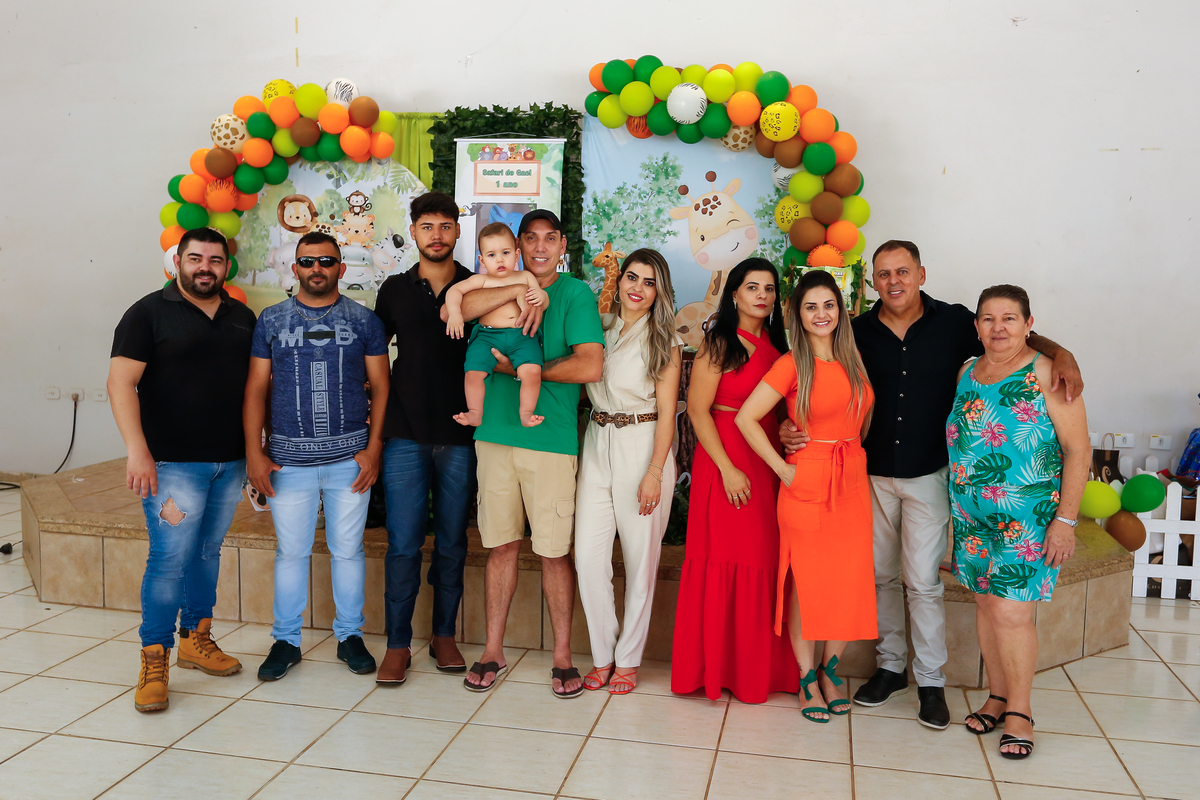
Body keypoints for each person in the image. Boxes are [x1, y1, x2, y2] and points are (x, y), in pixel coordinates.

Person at [781, 240, 1083, 730]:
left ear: (921, 274)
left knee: (922, 582)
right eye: (883, 274)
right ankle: (891, 668)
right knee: (880, 577)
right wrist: (789, 426)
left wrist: (1062, 352)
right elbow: (814, 383)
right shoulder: (854, 332)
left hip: (930, 474)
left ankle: (930, 680)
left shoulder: (956, 322)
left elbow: (1009, 333)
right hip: (869, 474)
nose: (893, 281)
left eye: (903, 271)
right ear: (872, 281)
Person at [446, 210, 603, 697]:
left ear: (562, 245)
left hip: (549, 439)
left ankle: (562, 656)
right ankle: (493, 650)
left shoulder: (574, 293)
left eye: (548, 239)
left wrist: (518, 369)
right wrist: (514, 287)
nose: (539, 248)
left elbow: (590, 366)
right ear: (516, 247)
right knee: (500, 546)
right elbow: (456, 309)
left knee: (554, 552)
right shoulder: (497, 282)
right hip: (493, 435)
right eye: (529, 239)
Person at [108, 226, 255, 712]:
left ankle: (196, 639)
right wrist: (137, 450)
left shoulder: (242, 317)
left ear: (226, 266)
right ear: (178, 262)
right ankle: (155, 659)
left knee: (207, 553)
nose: (205, 268)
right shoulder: (147, 313)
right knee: (169, 561)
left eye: (215, 260)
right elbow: (120, 384)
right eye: (196, 259)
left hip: (229, 461)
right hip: (171, 465)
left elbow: (253, 390)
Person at [244, 232, 390, 681]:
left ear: (341, 268)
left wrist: (374, 449)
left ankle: (350, 636)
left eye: (326, 261)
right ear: (295, 268)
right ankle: (286, 641)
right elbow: (256, 389)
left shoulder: (364, 320)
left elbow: (382, 387)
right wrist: (254, 453)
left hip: (350, 459)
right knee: (291, 554)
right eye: (307, 261)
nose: (317, 269)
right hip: (287, 461)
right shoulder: (271, 320)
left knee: (348, 551)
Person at [951, 284, 1088, 759]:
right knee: (987, 605)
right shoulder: (967, 371)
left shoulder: (1048, 372)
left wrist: (1066, 521)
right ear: (976, 326)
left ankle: (1020, 711)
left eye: (1009, 318)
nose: (999, 328)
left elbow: (1078, 450)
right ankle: (997, 695)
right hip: (971, 517)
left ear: (1029, 324)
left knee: (1012, 612)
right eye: (989, 319)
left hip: (1029, 519)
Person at [737, 269, 876, 724]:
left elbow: (859, 418)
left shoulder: (853, 358)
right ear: (797, 314)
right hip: (807, 481)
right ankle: (805, 678)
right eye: (810, 306)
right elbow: (745, 418)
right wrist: (783, 469)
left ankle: (830, 671)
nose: (821, 314)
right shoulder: (792, 363)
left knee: (848, 580)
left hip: (851, 479)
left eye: (828, 305)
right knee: (807, 583)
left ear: (841, 310)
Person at [671, 258, 800, 703]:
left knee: (764, 559)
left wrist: (787, 430)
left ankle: (757, 671)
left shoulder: (781, 348)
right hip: (724, 459)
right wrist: (727, 468)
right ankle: (715, 669)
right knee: (725, 557)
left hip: (766, 460)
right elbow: (697, 410)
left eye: (769, 288)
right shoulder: (719, 341)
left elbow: (781, 412)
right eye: (752, 287)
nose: (762, 295)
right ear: (734, 294)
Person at [372, 192, 476, 684]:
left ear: (457, 231)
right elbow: (374, 359)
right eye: (427, 226)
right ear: (413, 232)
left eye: (445, 226)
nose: (437, 235)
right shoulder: (393, 289)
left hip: (460, 435)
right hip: (404, 434)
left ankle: (443, 635)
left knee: (452, 542)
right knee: (403, 544)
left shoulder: (476, 285)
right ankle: (397, 644)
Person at [575, 249, 682, 695]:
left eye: (649, 282)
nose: (637, 288)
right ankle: (602, 654)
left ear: (660, 291)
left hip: (643, 444)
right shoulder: (600, 326)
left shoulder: (664, 340)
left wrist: (655, 471)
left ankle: (628, 660)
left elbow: (668, 412)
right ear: (619, 282)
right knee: (587, 557)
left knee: (640, 562)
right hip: (597, 440)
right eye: (632, 278)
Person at [445, 222, 549, 427]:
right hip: (487, 337)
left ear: (517, 254)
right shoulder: (481, 281)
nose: (500, 260)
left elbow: (542, 301)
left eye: (506, 253)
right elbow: (454, 291)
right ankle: (475, 412)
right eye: (491, 255)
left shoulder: (526, 276)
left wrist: (542, 296)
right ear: (482, 260)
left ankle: (526, 412)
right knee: (473, 372)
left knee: (532, 371)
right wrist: (455, 313)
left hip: (522, 335)